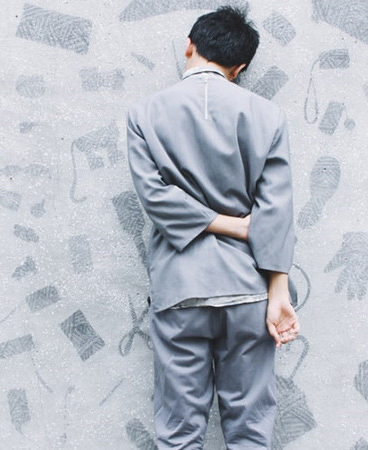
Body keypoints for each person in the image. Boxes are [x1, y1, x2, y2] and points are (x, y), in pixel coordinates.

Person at [125, 6, 299, 449]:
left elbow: (156, 200)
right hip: (248, 291)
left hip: (179, 289)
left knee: (179, 434)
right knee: (250, 432)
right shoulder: (268, 115)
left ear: (189, 45)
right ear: (239, 68)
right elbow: (277, 212)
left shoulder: (144, 115)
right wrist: (278, 291)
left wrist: (217, 223)